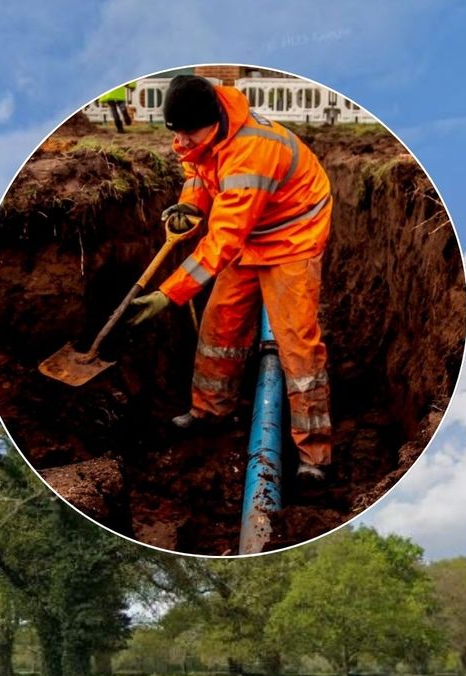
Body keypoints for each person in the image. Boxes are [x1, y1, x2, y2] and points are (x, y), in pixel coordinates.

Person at [129, 75, 333, 483]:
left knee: (296, 345)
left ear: (214, 121)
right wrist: (190, 204)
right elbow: (199, 172)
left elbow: (223, 240)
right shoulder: (206, 131)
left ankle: (314, 454)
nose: (183, 142)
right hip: (249, 232)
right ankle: (210, 412)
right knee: (220, 324)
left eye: (189, 133)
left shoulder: (252, 151)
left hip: (292, 235)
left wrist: (167, 295)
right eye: (177, 133)